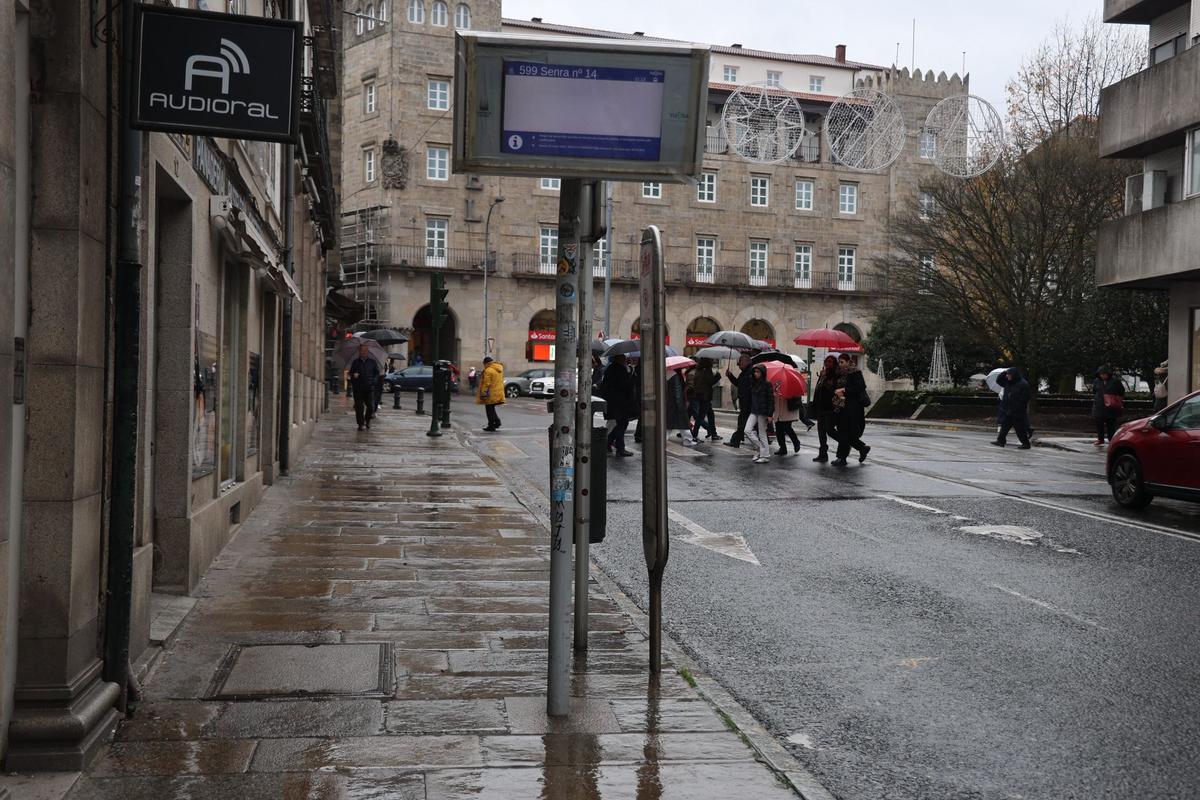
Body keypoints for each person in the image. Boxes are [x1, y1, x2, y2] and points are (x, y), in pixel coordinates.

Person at [831, 353, 870, 466]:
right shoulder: (839, 373)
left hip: (853, 407)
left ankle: (842, 458)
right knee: (844, 432)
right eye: (839, 362)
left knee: (845, 432)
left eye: (842, 362)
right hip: (841, 406)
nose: (840, 364)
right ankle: (861, 448)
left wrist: (844, 390)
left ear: (849, 361)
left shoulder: (855, 372)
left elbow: (860, 387)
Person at [599, 354, 637, 457]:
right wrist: (631, 374)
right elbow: (624, 385)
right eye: (623, 358)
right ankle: (620, 448)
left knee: (620, 423)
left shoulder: (612, 368)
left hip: (615, 402)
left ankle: (608, 443)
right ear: (619, 359)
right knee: (621, 423)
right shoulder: (618, 370)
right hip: (618, 402)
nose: (626, 360)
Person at [992, 368, 1032, 449]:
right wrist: (1004, 372)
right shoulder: (1008, 382)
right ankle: (1000, 441)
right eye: (1007, 374)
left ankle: (1026, 444)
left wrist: (1017, 405)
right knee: (1005, 426)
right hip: (1008, 409)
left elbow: (1026, 397)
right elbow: (999, 380)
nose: (1007, 376)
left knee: (1019, 428)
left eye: (1009, 374)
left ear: (1014, 375)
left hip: (1017, 411)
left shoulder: (1023, 384)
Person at [745, 364, 775, 463]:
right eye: (755, 372)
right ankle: (760, 449)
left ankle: (765, 456)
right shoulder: (753, 383)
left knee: (762, 434)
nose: (755, 373)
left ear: (762, 373)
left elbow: (771, 400)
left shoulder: (767, 384)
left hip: (763, 412)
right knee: (747, 430)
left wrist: (770, 414)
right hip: (754, 411)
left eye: (758, 372)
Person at [811, 356, 838, 463]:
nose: (827, 363)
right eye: (826, 361)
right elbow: (818, 389)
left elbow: (833, 390)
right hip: (820, 407)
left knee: (830, 430)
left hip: (830, 407)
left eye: (830, 361)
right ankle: (823, 454)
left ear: (834, 363)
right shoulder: (823, 373)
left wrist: (826, 379)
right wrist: (821, 377)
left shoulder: (836, 374)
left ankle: (845, 443)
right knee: (821, 431)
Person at [348, 343, 382, 431]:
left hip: (369, 388)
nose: (363, 352)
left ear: (368, 352)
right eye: (362, 351)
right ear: (359, 352)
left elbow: (376, 374)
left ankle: (367, 420)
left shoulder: (372, 362)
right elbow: (351, 373)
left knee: (370, 406)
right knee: (359, 407)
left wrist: (373, 381)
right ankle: (360, 424)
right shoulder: (355, 362)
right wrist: (353, 375)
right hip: (358, 388)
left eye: (365, 351)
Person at [724, 355, 753, 448]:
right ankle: (737, 440)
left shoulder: (750, 372)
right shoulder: (744, 373)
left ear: (746, 361)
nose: (739, 364)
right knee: (744, 423)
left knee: (742, 423)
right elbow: (738, 383)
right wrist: (730, 375)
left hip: (748, 403)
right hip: (745, 402)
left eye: (740, 361)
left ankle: (735, 441)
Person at [1091, 365, 1125, 445]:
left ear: (1108, 374)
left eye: (1104, 374)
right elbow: (1094, 390)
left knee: (1111, 425)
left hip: (1111, 407)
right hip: (1099, 406)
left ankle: (1111, 439)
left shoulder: (1115, 381)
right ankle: (1100, 439)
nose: (1102, 375)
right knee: (1099, 423)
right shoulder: (1097, 381)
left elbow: (1121, 392)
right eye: (1101, 374)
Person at [688, 359, 720, 441]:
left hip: (700, 395)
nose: (713, 362)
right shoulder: (707, 370)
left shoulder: (698, 371)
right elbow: (710, 382)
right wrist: (717, 376)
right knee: (700, 417)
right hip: (706, 397)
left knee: (710, 415)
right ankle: (695, 434)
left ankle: (713, 433)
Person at [476, 356, 505, 432]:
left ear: (485, 363)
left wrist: (483, 392)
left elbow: (486, 383)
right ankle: (497, 422)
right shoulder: (499, 368)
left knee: (489, 409)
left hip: (490, 393)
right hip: (498, 391)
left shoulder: (488, 370)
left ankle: (491, 425)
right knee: (491, 408)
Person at [773, 384, 802, 456]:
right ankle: (782, 448)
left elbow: (794, 395)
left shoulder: (790, 384)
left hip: (787, 410)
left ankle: (796, 442)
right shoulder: (775, 385)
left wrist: (785, 393)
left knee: (787, 427)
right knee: (778, 429)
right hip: (778, 409)